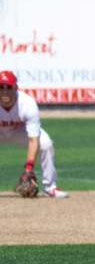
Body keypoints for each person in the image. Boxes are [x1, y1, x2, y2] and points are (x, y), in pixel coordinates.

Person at [0, 70, 69, 199]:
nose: (4, 91)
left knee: (46, 143)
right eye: (1, 87)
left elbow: (33, 139)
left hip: (18, 132)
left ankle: (50, 188)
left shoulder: (27, 104)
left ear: (15, 87)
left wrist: (29, 168)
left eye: (8, 87)